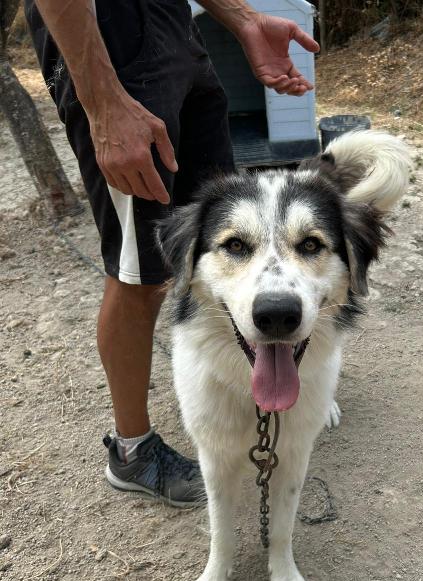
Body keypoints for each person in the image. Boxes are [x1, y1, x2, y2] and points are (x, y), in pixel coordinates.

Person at [24, 0, 319, 508]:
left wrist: (244, 20)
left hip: (176, 26)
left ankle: (243, 394)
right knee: (141, 272)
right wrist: (104, 105)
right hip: (108, 35)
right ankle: (131, 451)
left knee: (221, 239)